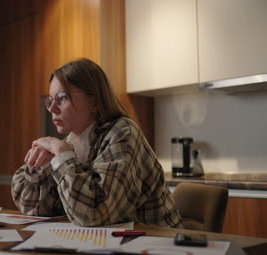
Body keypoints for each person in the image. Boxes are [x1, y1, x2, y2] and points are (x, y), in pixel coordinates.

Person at [11, 58, 182, 228]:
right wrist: (40, 167)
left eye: (62, 98)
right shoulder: (70, 142)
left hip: (157, 244)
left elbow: (93, 214)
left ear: (93, 102)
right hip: (110, 244)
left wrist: (63, 157)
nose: (51, 108)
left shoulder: (123, 133)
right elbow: (32, 208)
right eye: (50, 100)